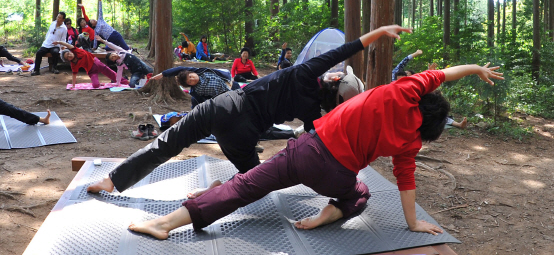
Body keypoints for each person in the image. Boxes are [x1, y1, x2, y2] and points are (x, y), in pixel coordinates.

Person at [127, 63, 503, 240]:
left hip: (306, 151)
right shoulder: (412, 142)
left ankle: (164, 224)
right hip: (337, 176)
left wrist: (475, 69)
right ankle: (330, 213)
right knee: (361, 194)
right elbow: (406, 182)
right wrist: (413, 223)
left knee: (246, 187)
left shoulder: (403, 90)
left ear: (420, 95)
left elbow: (443, 74)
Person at [86, 25, 405, 198]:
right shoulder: (317, 114)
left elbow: (345, 49)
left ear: (334, 79)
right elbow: (317, 147)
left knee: (168, 142)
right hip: (242, 135)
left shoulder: (305, 72)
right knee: (254, 182)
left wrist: (379, 33)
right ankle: (213, 193)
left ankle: (112, 181)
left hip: (221, 107)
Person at [148, 66, 239, 108]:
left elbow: (179, 69)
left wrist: (163, 74)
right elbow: (197, 105)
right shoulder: (197, 91)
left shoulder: (201, 72)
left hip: (231, 85)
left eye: (191, 76)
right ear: (189, 85)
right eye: (189, 81)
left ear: (192, 72)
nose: (192, 79)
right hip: (225, 99)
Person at [53, 41, 120, 89]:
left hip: (95, 62)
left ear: (70, 51)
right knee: (96, 85)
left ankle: (124, 80)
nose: (69, 56)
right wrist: (73, 86)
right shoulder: (73, 64)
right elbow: (74, 75)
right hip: (91, 70)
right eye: (67, 57)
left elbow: (67, 45)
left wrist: (59, 42)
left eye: (68, 54)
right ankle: (100, 83)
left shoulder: (75, 50)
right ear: (68, 60)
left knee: (110, 73)